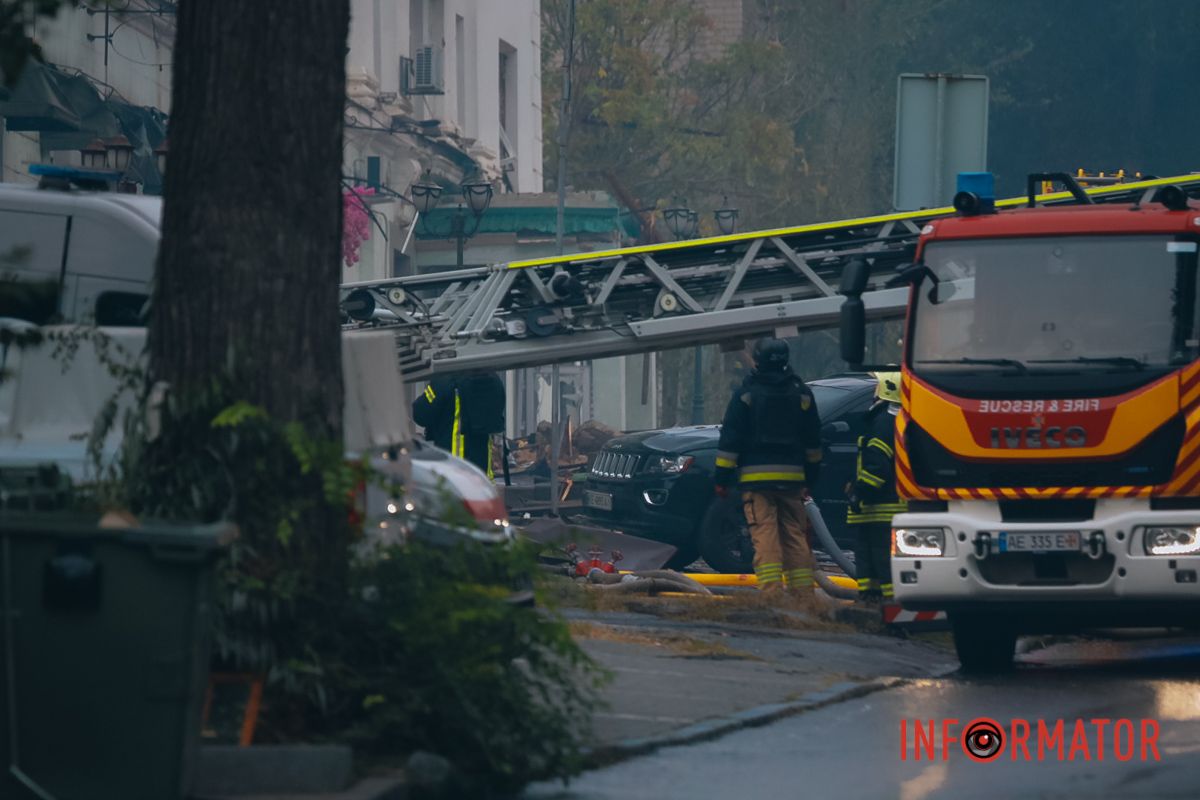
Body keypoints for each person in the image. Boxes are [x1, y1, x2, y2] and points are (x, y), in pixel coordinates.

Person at [713, 338, 823, 595]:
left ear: (758, 361)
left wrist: (721, 479)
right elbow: (814, 443)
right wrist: (811, 479)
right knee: (795, 536)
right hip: (794, 481)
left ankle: (772, 595)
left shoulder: (747, 395)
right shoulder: (802, 394)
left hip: (757, 482)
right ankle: (803, 596)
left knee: (765, 535)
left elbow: (730, 442)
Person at [846, 371, 907, 605]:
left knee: (879, 560)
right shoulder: (897, 420)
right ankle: (873, 602)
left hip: (878, 508)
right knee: (875, 560)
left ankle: (887, 607)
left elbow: (876, 466)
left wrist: (859, 493)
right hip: (889, 507)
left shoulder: (881, 423)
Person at [412, 372, 506, 477]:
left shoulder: (445, 381)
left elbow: (420, 414)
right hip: (481, 473)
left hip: (453, 471)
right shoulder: (493, 380)